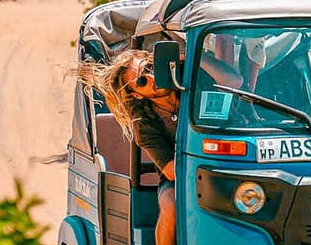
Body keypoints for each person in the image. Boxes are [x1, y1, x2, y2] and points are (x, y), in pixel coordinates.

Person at [77, 49, 241, 245]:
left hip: (236, 159)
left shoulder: (188, 77)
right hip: (185, 176)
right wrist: (211, 170)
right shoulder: (144, 122)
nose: (152, 77)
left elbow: (233, 81)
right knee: (169, 203)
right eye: (142, 81)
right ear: (137, 95)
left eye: (150, 67)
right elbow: (171, 171)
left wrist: (194, 56)